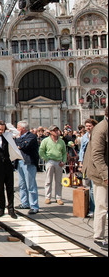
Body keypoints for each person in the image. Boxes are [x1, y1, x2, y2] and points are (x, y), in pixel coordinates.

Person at [82, 107, 108, 251]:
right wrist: (106, 175)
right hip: (100, 174)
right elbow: (97, 156)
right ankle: (98, 237)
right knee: (102, 205)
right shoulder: (100, 129)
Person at [15, 121, 40, 214]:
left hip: (28, 162)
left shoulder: (31, 136)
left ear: (23, 129)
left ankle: (34, 206)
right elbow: (16, 145)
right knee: (22, 184)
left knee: (31, 185)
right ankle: (24, 203)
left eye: (18, 128)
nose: (17, 129)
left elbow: (23, 145)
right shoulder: (19, 137)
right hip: (20, 162)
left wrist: (18, 141)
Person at [39, 125, 67, 206]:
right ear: (50, 132)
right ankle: (47, 197)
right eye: (54, 130)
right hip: (50, 161)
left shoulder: (61, 141)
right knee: (48, 180)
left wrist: (64, 161)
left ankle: (58, 197)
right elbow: (41, 150)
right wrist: (46, 159)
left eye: (57, 130)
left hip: (59, 162)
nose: (56, 132)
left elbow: (64, 152)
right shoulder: (46, 141)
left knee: (58, 181)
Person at [78, 119, 98, 217]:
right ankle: (92, 209)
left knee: (96, 188)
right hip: (88, 164)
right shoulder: (85, 137)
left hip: (97, 165)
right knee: (90, 188)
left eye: (90, 126)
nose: (88, 128)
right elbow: (82, 150)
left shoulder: (98, 135)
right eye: (86, 126)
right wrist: (81, 163)